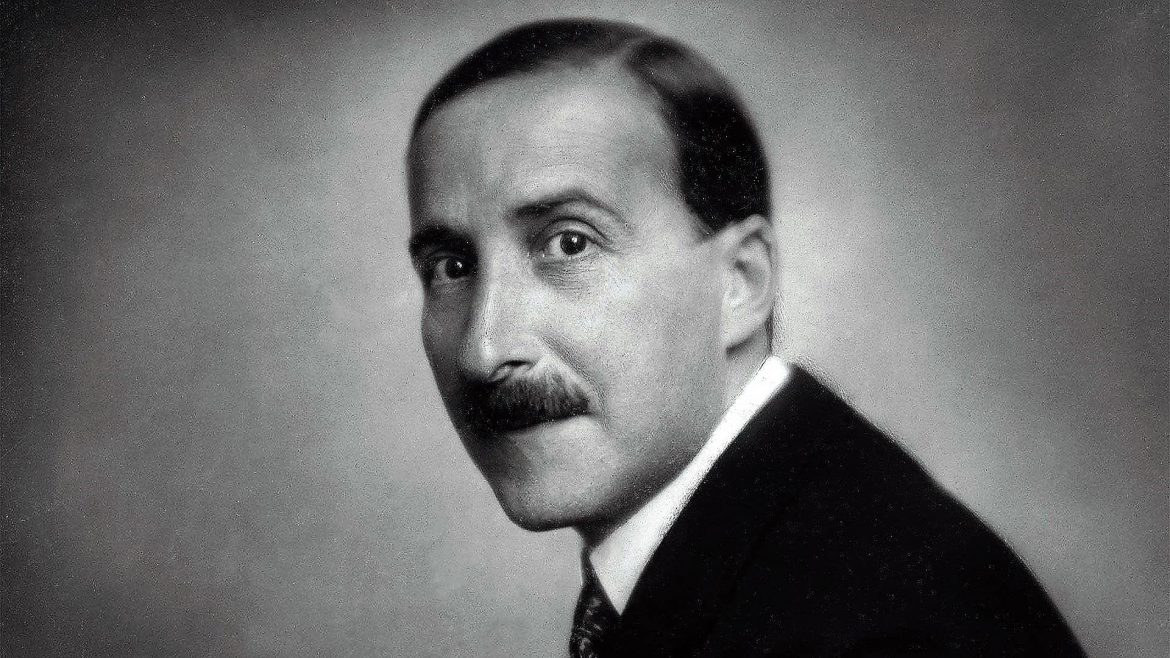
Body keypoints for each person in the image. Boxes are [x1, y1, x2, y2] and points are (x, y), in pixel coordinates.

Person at [405, 18, 1085, 657]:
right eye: (451, 267)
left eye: (569, 243)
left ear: (741, 283)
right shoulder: (785, 544)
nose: (483, 351)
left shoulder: (887, 629)